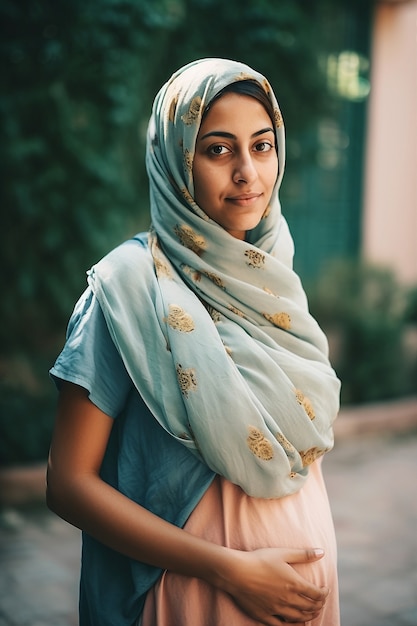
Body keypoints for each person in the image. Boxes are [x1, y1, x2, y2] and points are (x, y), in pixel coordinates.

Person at [47, 58, 341, 626]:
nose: (247, 173)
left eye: (261, 146)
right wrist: (227, 569)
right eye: (217, 150)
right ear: (174, 161)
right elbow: (68, 485)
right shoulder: (128, 290)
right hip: (189, 597)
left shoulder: (274, 276)